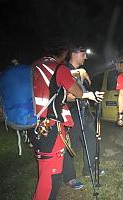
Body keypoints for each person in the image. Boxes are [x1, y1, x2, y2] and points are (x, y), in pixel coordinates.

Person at [31, 38, 83, 200]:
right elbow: (78, 93)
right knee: (51, 173)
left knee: (44, 165)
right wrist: (78, 76)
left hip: (34, 124)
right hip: (51, 125)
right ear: (64, 53)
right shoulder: (58, 68)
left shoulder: (34, 67)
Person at [62, 45, 105, 189]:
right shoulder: (64, 70)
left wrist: (89, 98)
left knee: (91, 140)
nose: (85, 57)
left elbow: (84, 90)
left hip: (85, 111)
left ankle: (89, 169)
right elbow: (66, 97)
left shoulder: (81, 72)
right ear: (73, 54)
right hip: (72, 112)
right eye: (83, 54)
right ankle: (69, 177)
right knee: (71, 146)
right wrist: (84, 96)